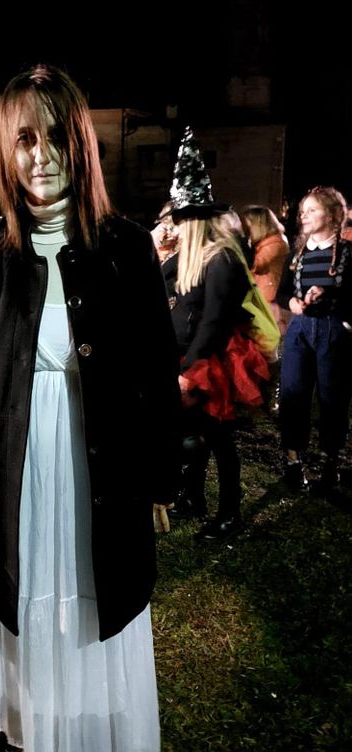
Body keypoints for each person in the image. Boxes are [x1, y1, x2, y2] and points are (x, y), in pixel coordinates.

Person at [0, 64, 182, 752]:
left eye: (55, 137)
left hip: (102, 466)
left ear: (80, 143)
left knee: (96, 590)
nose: (41, 156)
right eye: (24, 140)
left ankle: (88, 731)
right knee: (30, 595)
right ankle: (44, 728)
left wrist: (161, 476)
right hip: (15, 476)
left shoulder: (127, 248)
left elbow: (156, 371)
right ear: (5, 151)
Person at [161, 126, 269, 541]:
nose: (174, 227)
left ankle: (230, 514)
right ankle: (192, 497)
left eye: (179, 221)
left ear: (194, 222)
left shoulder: (221, 258)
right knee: (190, 436)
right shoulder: (187, 257)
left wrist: (189, 371)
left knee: (219, 439)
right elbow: (157, 282)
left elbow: (215, 320)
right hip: (187, 357)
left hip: (212, 362)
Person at [276, 186, 352, 493]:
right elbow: (282, 292)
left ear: (332, 215)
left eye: (312, 210)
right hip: (300, 331)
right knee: (293, 393)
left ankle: (331, 462)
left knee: (332, 398)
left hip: (333, 331)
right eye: (302, 211)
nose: (304, 216)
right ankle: (293, 461)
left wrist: (332, 297)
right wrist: (292, 303)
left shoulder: (347, 253)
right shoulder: (297, 254)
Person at [240, 205, 290, 334]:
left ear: (258, 225)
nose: (245, 229)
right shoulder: (264, 243)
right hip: (263, 298)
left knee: (271, 338)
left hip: (269, 300)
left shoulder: (275, 244)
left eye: (248, 225)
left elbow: (256, 265)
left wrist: (243, 243)